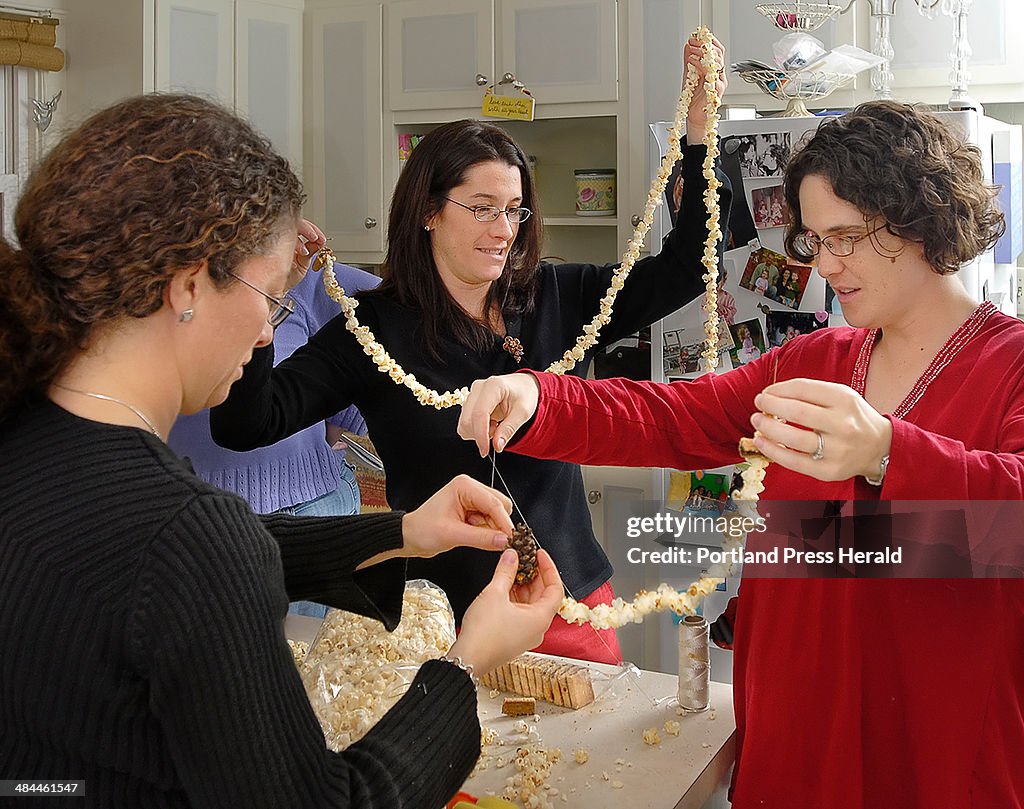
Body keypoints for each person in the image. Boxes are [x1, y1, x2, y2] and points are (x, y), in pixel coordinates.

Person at [0, 93, 564, 809]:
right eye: (271, 295)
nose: (270, 328)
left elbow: (153, 563)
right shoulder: (188, 536)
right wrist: (463, 663)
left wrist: (404, 532)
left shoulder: (30, 437)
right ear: (187, 286)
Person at [456, 101, 1024, 809]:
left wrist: (886, 451)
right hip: (793, 727)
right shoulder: (814, 359)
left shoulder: (1011, 365)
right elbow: (673, 417)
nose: (827, 265)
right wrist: (541, 397)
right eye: (815, 240)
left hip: (931, 739)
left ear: (920, 220)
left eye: (846, 236)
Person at [211, 35, 730, 664]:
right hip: (438, 620)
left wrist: (700, 131)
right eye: (482, 209)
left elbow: (686, 268)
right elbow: (246, 423)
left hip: (565, 602)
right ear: (429, 212)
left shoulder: (558, 296)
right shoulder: (370, 329)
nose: (504, 230)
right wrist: (266, 297)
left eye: (515, 210)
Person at [169, 259, 381, 619]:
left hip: (314, 512)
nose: (263, 335)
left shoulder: (304, 271)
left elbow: (393, 312)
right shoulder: (149, 279)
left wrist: (342, 415)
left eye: (276, 304)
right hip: (189, 525)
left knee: (311, 666)